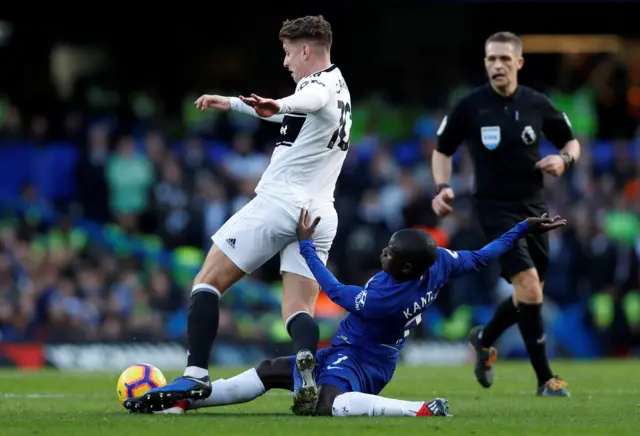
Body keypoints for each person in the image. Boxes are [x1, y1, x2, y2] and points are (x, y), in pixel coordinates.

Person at [124, 209, 567, 416]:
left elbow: (333, 290)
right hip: (372, 355)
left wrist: (304, 247)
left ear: (407, 266)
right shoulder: (442, 264)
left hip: (359, 357)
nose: (384, 251)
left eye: (391, 251)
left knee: (322, 405)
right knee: (272, 369)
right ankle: (187, 401)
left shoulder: (383, 298)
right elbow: (485, 255)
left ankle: (419, 409)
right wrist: (523, 229)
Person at [133, 15, 353, 415]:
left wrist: (282, 102)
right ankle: (306, 365)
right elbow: (293, 112)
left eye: (289, 54)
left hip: (280, 203)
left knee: (207, 282)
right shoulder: (341, 90)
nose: (286, 62)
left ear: (306, 50)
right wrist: (233, 103)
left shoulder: (317, 86)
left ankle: (196, 374)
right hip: (320, 214)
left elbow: (304, 101)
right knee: (298, 309)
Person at [431, 31, 580, 397]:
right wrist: (442, 188)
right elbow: (442, 150)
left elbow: (571, 143)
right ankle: (546, 379)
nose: (496, 65)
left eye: (503, 59)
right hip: (494, 209)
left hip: (535, 208)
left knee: (529, 294)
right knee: (528, 286)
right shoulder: (470, 105)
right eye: (490, 59)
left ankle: (484, 338)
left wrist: (564, 160)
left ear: (519, 63)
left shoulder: (537, 103)